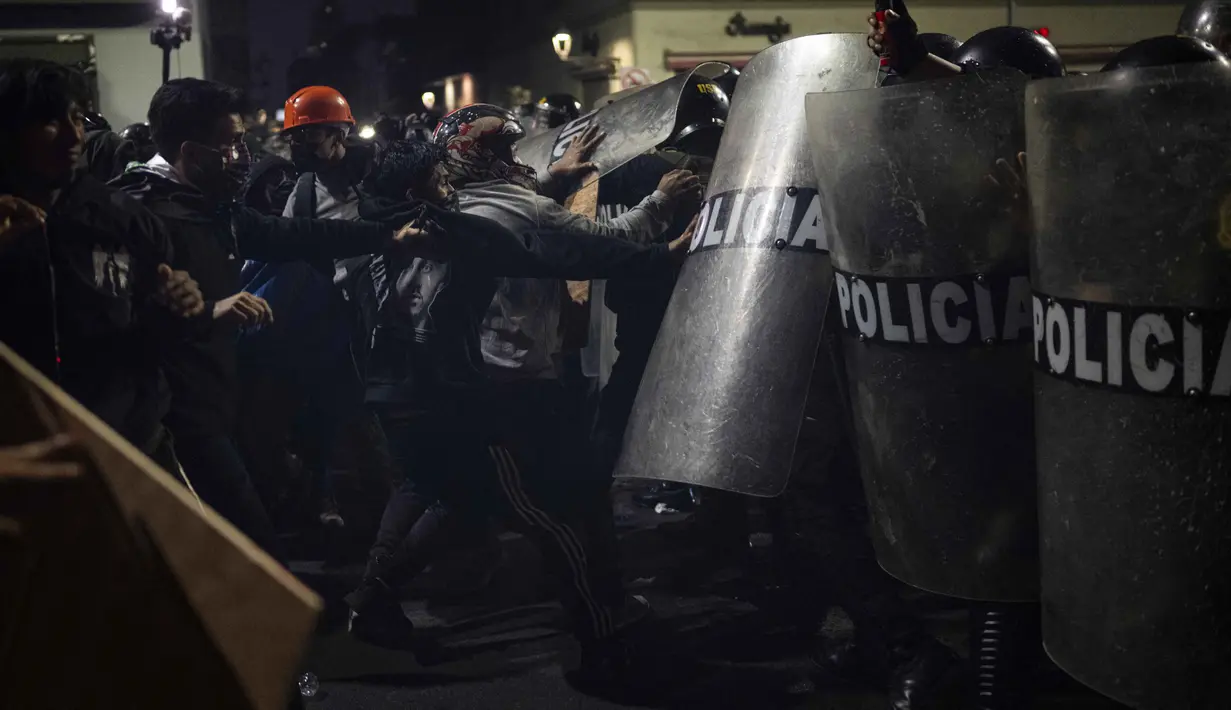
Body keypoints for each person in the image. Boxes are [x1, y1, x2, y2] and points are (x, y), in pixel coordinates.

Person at [343, 136, 699, 700]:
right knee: (555, 516)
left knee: (446, 497)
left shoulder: (385, 221)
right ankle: (605, 637)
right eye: (441, 176)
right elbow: (556, 250)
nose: (449, 185)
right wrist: (660, 246)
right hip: (472, 399)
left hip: (408, 394)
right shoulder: (465, 227)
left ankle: (368, 603)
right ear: (427, 185)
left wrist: (552, 184)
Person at [110, 78, 433, 557]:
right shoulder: (134, 213)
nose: (243, 155)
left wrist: (387, 236)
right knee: (239, 545)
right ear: (192, 152)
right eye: (230, 144)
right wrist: (206, 312)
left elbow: (297, 234)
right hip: (165, 412)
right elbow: (110, 323)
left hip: (215, 396)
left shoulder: (208, 205)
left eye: (242, 141)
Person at [0, 59, 204, 473]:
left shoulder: (124, 219)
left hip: (129, 449)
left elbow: (156, 341)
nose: (74, 135)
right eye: (50, 121)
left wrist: (181, 307)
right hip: (18, 460)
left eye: (76, 116)